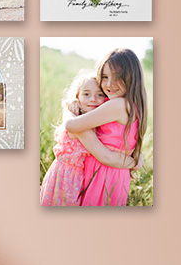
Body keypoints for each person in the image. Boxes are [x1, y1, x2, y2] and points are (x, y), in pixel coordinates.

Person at [40, 72, 143, 206]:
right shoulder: (80, 127)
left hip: (79, 179)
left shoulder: (93, 121)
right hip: (67, 180)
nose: (93, 99)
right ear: (77, 97)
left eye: (100, 95)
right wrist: (134, 163)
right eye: (86, 94)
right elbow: (105, 156)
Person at [64, 49, 149, 206]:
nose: (109, 84)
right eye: (104, 77)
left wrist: (68, 109)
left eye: (118, 77)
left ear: (132, 77)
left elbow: (71, 126)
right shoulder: (131, 105)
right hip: (115, 174)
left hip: (102, 173)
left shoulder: (117, 104)